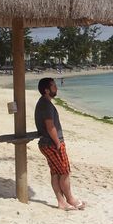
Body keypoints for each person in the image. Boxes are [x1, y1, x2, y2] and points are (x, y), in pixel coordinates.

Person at [35, 77, 85, 211]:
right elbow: (50, 126)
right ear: (46, 90)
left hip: (47, 143)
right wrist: (58, 143)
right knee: (64, 172)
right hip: (51, 144)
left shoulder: (44, 103)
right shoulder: (45, 105)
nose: (56, 88)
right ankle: (69, 199)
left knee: (56, 173)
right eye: (53, 86)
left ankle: (61, 201)